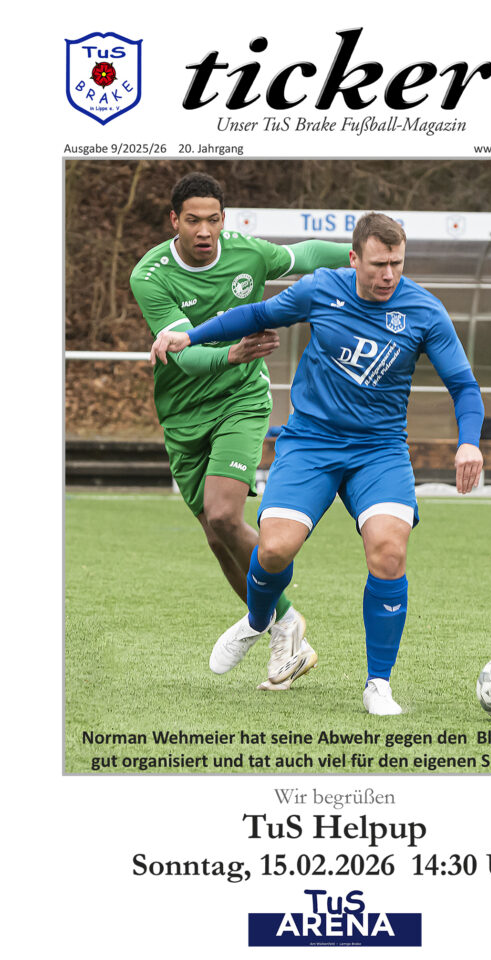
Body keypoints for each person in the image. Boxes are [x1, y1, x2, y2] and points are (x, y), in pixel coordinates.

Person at [150, 213, 484, 713]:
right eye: (378, 264)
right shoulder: (321, 289)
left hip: (379, 450)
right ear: (353, 259)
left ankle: (378, 684)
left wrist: (469, 442)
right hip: (311, 442)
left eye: (396, 264)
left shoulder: (424, 311)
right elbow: (257, 314)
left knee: (389, 552)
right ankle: (258, 621)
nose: (388, 275)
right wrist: (191, 337)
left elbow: (463, 385)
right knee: (273, 550)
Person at [130, 172, 352, 690]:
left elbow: (307, 254)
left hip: (241, 401)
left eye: (213, 220)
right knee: (217, 537)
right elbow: (181, 356)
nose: (204, 231)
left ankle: (281, 621)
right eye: (193, 221)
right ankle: (285, 628)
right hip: (183, 414)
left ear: (223, 219)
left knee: (225, 514)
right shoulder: (151, 276)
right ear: (174, 221)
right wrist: (230, 352)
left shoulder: (248, 253)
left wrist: (365, 255)